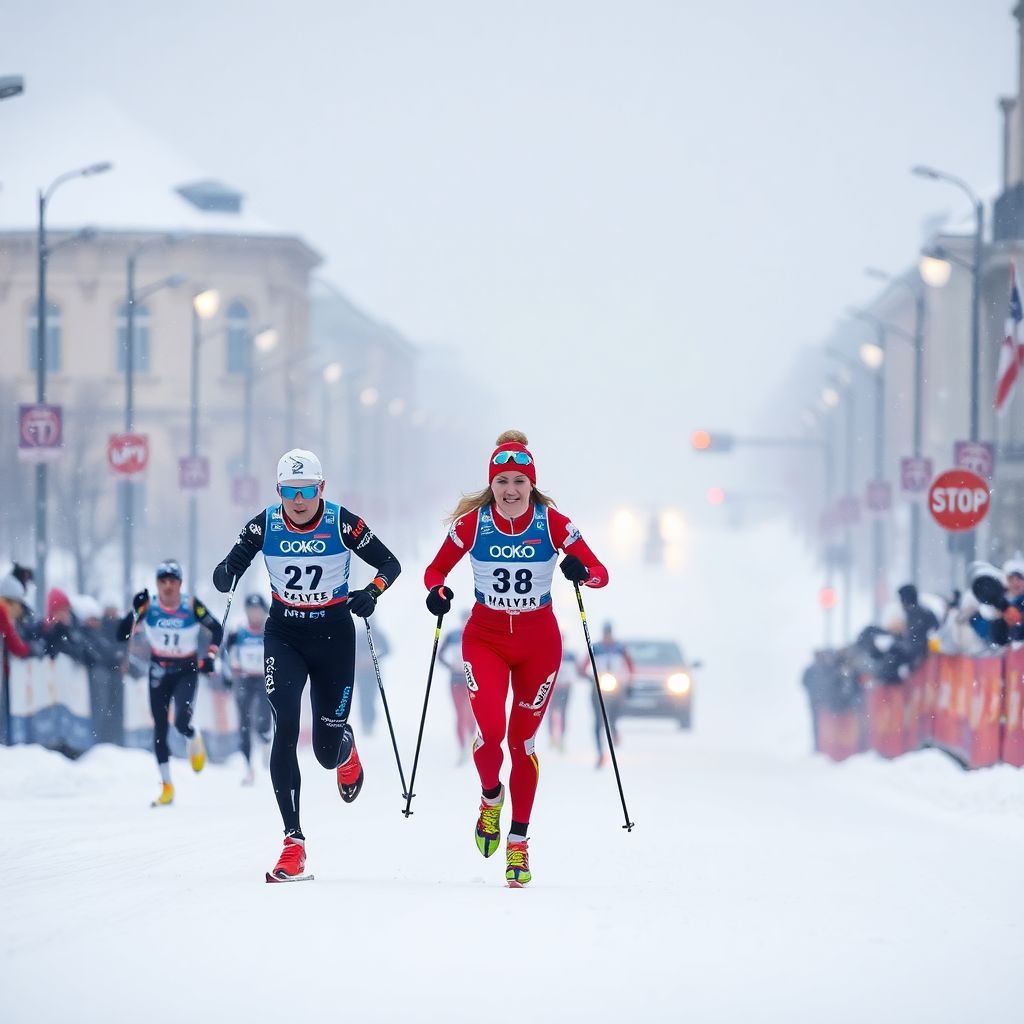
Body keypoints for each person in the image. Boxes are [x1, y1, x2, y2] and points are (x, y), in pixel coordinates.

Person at [423, 430, 609, 887]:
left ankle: (519, 844)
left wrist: (579, 570)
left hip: (538, 642)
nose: (510, 490)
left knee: (521, 743)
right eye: (502, 481)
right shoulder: (473, 523)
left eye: (518, 482)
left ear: (531, 484)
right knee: (489, 733)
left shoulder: (554, 523)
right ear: (492, 484)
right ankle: (491, 799)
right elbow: (434, 569)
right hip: (484, 637)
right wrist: (437, 592)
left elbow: (600, 573)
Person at [212, 448, 401, 882]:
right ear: (279, 491)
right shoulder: (265, 523)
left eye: (308, 491)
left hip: (334, 637)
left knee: (324, 753)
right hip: (286, 636)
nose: (299, 501)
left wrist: (371, 591)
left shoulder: (341, 521)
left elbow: (391, 563)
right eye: (290, 492)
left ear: (322, 489)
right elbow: (233, 563)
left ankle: (345, 748)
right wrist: (226, 573)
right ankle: (293, 843)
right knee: (285, 727)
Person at [117, 559, 223, 807]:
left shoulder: (191, 605)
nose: (167, 587)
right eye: (162, 582)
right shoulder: (149, 606)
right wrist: (134, 610)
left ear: (180, 584)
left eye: (172, 582)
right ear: (156, 583)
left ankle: (191, 733)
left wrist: (209, 656)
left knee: (180, 723)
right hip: (158, 670)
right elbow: (120, 635)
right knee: (160, 730)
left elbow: (216, 629)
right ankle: (167, 787)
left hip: (186, 670)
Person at [224, 594, 273, 785]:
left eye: (258, 611)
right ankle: (248, 767)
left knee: (263, 719)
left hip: (264, 679)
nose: (254, 614)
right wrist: (228, 675)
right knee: (243, 723)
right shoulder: (239, 632)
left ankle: (266, 742)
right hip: (244, 679)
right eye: (251, 611)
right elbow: (227, 653)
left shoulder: (269, 630)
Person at [581, 622, 634, 768]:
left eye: (609, 634)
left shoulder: (620, 648)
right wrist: (587, 676)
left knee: (614, 716)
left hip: (617, 685)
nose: (607, 637)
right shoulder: (596, 647)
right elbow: (583, 665)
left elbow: (630, 665)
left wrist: (629, 683)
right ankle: (600, 752)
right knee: (598, 721)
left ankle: (615, 731)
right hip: (598, 686)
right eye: (605, 634)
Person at [438, 610, 474, 762]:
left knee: (472, 713)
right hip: (456, 680)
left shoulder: (477, 635)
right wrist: (450, 666)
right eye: (464, 620)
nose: (465, 623)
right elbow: (440, 655)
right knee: (460, 714)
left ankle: (473, 743)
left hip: (473, 681)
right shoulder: (452, 636)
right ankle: (462, 748)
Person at [548, 635, 578, 752]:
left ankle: (561, 739)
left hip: (565, 689)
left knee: (563, 713)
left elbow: (575, 672)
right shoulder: (549, 653)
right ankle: (552, 737)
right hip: (553, 688)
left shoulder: (570, 656)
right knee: (551, 712)